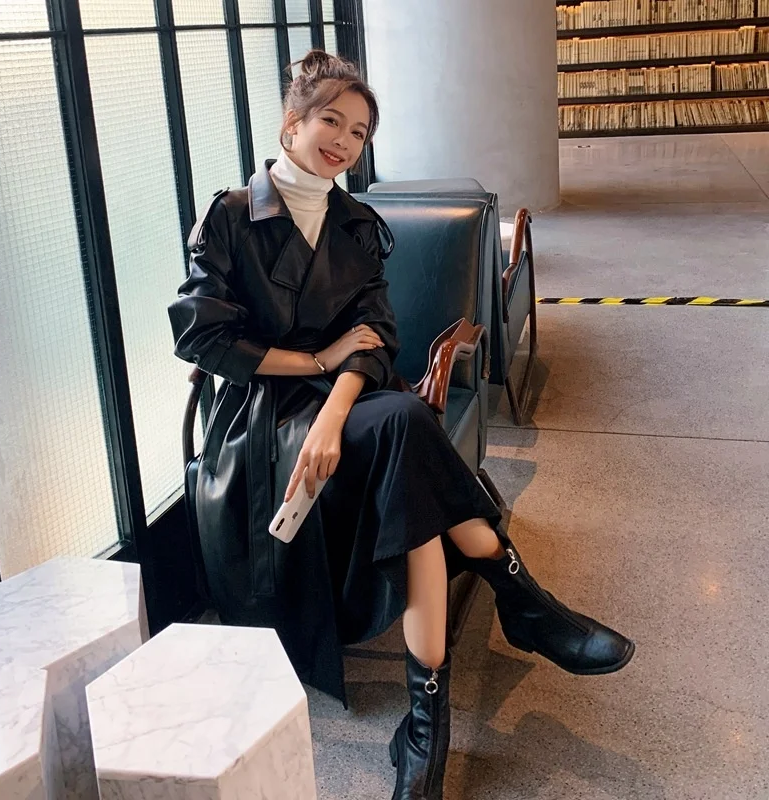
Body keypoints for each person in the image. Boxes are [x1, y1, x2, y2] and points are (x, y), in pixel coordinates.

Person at [169, 50, 634, 800]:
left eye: (359, 132)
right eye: (331, 121)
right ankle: (517, 598)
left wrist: (335, 407)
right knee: (407, 430)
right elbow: (204, 338)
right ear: (291, 124)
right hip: (262, 418)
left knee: (400, 437)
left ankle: (426, 722)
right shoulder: (229, 216)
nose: (344, 142)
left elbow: (377, 337)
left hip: (350, 403)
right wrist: (316, 361)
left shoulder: (357, 224)